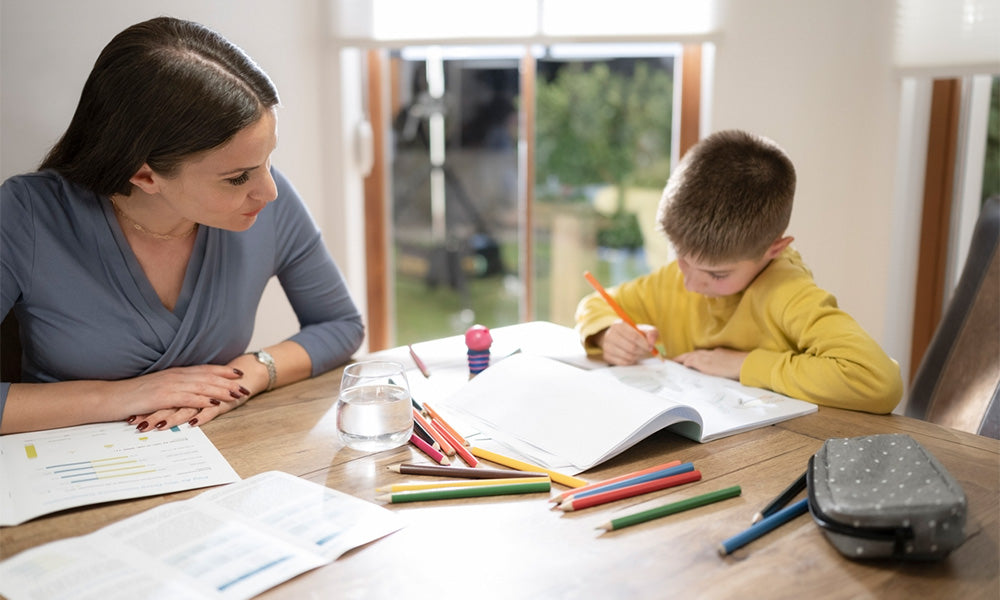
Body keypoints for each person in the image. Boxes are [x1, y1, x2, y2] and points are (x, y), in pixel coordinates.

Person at [0, 17, 364, 434]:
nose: (269, 191)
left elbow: (340, 325)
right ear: (145, 177)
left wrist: (250, 372)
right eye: (237, 177)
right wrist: (127, 395)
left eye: (268, 160)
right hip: (62, 471)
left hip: (215, 458)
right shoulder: (24, 214)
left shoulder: (263, 202)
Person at [575, 129, 902, 414]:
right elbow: (596, 303)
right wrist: (608, 333)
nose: (690, 283)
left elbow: (878, 380)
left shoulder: (787, 294)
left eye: (716, 275)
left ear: (774, 249)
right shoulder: (678, 277)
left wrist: (744, 364)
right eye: (681, 258)